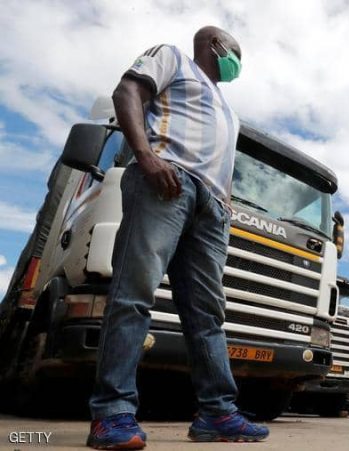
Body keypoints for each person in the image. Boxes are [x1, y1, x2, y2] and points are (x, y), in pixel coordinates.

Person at [87, 26, 269, 449]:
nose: (237, 65)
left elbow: (221, 161)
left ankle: (217, 413)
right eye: (236, 54)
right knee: (134, 294)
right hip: (168, 182)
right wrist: (146, 156)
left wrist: (224, 205)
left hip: (211, 207)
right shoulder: (172, 58)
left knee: (208, 315)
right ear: (215, 46)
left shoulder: (228, 110)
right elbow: (127, 92)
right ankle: (112, 414)